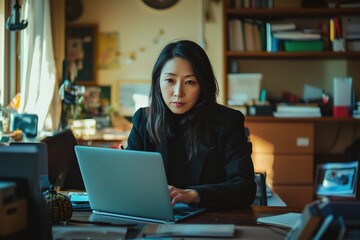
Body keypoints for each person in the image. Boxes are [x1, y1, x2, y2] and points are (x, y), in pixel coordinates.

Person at [126, 40, 256, 210]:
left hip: (210, 222)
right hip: (154, 218)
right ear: (158, 82)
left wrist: (195, 195)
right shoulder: (143, 120)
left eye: (190, 82)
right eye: (170, 80)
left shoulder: (228, 122)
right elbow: (128, 180)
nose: (178, 92)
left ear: (203, 85)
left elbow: (245, 189)